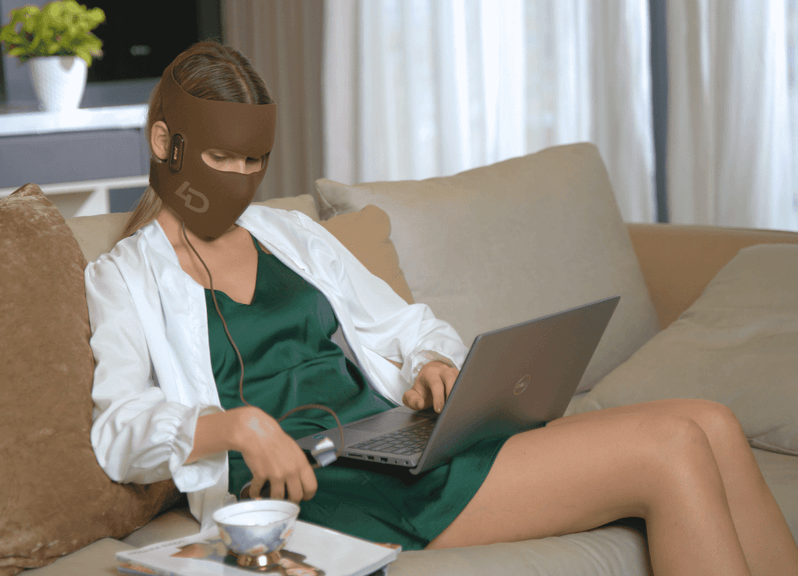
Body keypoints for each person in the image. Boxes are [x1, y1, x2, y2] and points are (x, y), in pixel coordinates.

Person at [86, 41, 798, 576]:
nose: (244, 180)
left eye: (255, 162)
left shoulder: (291, 235)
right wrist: (234, 426)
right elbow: (117, 431)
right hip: (314, 489)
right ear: (164, 144)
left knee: (712, 419)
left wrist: (431, 364)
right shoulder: (124, 277)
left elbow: (408, 326)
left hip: (390, 445)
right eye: (223, 159)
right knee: (672, 444)